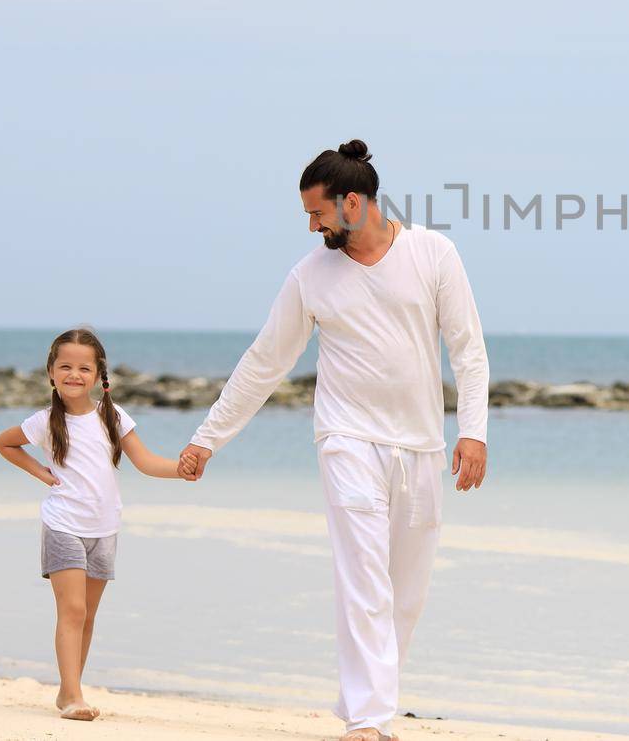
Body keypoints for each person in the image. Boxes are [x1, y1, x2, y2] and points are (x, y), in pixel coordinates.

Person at [176, 140, 489, 741]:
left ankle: (363, 704)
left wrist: (472, 432)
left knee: (407, 593)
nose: (312, 226)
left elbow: (468, 352)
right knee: (364, 577)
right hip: (346, 439)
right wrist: (206, 438)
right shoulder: (309, 275)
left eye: (317, 214)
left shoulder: (434, 252)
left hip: (420, 445)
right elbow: (264, 362)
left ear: (352, 203)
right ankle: (371, 721)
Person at [0, 325, 185, 721]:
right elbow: (5, 443)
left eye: (84, 368)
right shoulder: (45, 421)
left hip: (104, 528)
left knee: (89, 616)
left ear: (99, 376)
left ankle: (68, 692)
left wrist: (182, 469)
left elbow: (146, 463)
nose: (74, 375)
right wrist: (42, 473)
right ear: (51, 372)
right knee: (73, 610)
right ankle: (75, 697)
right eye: (65, 366)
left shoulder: (113, 418)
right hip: (63, 523)